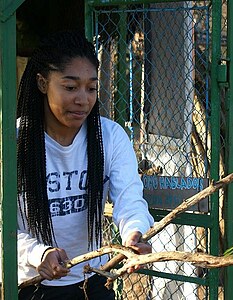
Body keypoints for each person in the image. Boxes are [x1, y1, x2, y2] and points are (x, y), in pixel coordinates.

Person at [17, 30, 154, 300]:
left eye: (91, 88)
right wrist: (38, 253)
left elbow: (129, 197)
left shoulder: (110, 137)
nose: (83, 99)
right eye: (70, 87)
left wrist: (134, 231)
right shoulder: (14, 142)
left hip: (91, 279)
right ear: (43, 83)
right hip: (30, 284)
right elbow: (2, 226)